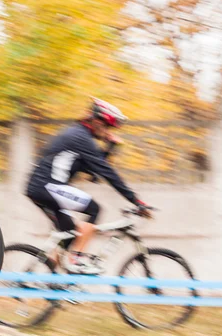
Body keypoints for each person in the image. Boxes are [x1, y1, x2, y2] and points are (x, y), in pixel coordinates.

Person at [26, 97, 152, 274]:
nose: (108, 131)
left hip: (42, 187)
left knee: (69, 236)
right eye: (107, 127)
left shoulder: (78, 135)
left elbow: (92, 170)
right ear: (97, 121)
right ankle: (76, 259)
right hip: (48, 186)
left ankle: (53, 283)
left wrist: (110, 147)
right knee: (94, 209)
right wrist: (136, 200)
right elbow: (106, 172)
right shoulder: (81, 137)